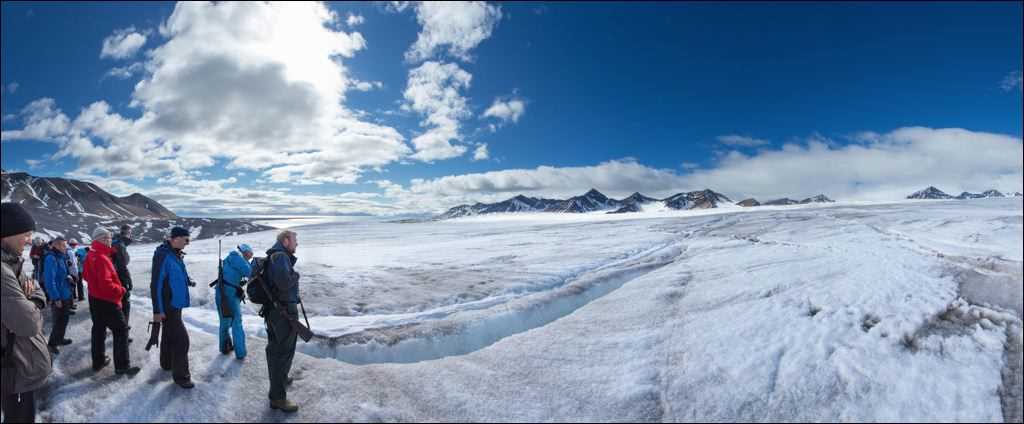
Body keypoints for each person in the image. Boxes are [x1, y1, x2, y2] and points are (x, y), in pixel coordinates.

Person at [1, 203, 52, 423]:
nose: (30, 240)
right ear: (7, 234)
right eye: (26, 234)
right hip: (14, 368)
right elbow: (28, 324)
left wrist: (32, 299)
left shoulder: (13, 264)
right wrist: (32, 300)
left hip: (16, 364)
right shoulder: (3, 272)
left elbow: (37, 289)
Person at [82, 227, 140, 377]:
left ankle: (99, 361)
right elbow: (107, 285)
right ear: (98, 240)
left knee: (99, 329)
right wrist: (121, 290)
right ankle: (122, 366)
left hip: (95, 298)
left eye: (109, 238)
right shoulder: (102, 258)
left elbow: (86, 276)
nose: (109, 241)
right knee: (121, 331)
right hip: (107, 301)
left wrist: (96, 288)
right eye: (105, 238)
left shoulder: (91, 254)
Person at [151, 227, 194, 389]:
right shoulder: (163, 256)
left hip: (174, 303)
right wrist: (157, 310)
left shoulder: (174, 254)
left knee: (169, 333)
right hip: (168, 305)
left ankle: (167, 363)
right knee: (182, 341)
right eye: (186, 240)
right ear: (175, 239)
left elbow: (177, 273)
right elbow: (156, 284)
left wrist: (187, 280)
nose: (187, 243)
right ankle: (181, 377)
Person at [263, 230, 301, 413]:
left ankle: (281, 380)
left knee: (277, 350)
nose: (297, 244)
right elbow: (284, 283)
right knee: (282, 352)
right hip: (283, 312)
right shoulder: (280, 257)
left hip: (275, 311)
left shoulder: (276, 255)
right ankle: (277, 397)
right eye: (295, 240)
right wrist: (296, 276)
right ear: (286, 241)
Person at [217, 244, 253, 360]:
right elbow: (250, 272)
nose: (250, 257)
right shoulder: (238, 259)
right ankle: (240, 353)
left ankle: (224, 348)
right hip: (230, 294)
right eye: (249, 255)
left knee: (224, 321)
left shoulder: (230, 258)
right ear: (245, 252)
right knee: (237, 322)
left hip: (220, 293)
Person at [41, 236, 74, 355]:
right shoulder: (51, 258)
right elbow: (50, 280)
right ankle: (52, 343)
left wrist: (68, 277)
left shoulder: (61, 257)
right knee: (59, 320)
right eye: (64, 246)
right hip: (59, 295)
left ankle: (60, 338)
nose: (66, 248)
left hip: (65, 293)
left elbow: (62, 274)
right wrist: (56, 298)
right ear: (57, 246)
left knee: (64, 319)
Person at [111, 225, 134, 327]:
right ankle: (123, 328)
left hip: (113, 275)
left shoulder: (115, 242)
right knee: (124, 302)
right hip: (119, 277)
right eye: (129, 232)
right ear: (127, 233)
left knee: (116, 301)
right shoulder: (120, 245)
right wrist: (128, 280)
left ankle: (116, 324)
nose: (130, 235)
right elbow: (122, 265)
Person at [66, 239, 83, 307]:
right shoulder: (71, 252)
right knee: (72, 287)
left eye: (74, 244)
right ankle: (71, 303)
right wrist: (76, 274)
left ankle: (73, 299)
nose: (73, 246)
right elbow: (74, 264)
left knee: (71, 287)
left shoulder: (71, 251)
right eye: (72, 245)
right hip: (73, 271)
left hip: (70, 271)